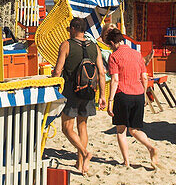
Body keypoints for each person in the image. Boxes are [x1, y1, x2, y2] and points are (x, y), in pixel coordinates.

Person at [54, 18, 107, 175]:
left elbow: (58, 71)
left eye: (69, 28)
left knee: (66, 128)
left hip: (71, 91)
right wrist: (102, 95)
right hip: (89, 91)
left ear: (73, 28)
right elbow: (102, 72)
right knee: (82, 126)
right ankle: (81, 164)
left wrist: (53, 83)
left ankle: (84, 152)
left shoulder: (67, 44)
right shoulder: (94, 46)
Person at [102, 29, 159, 169]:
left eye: (109, 46)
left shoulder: (114, 56)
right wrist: (144, 94)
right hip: (138, 94)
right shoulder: (137, 54)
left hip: (123, 94)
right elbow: (144, 77)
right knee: (134, 129)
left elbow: (115, 80)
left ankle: (126, 161)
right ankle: (150, 147)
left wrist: (110, 101)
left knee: (121, 130)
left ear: (111, 43)